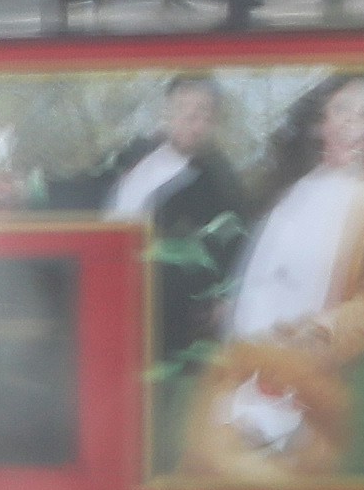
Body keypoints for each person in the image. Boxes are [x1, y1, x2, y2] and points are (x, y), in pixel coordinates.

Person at [180, 71, 364, 489]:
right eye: (341, 110)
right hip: (243, 357)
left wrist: (325, 330)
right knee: (211, 479)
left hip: (301, 369)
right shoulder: (296, 189)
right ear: (319, 121)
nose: (352, 125)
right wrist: (231, 308)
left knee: (278, 485)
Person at [95, 69, 250, 364]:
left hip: (152, 307)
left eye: (201, 112)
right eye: (182, 110)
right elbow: (92, 186)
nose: (191, 120)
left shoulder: (218, 184)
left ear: (213, 122)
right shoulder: (135, 152)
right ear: (167, 113)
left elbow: (229, 252)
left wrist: (224, 299)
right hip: (95, 278)